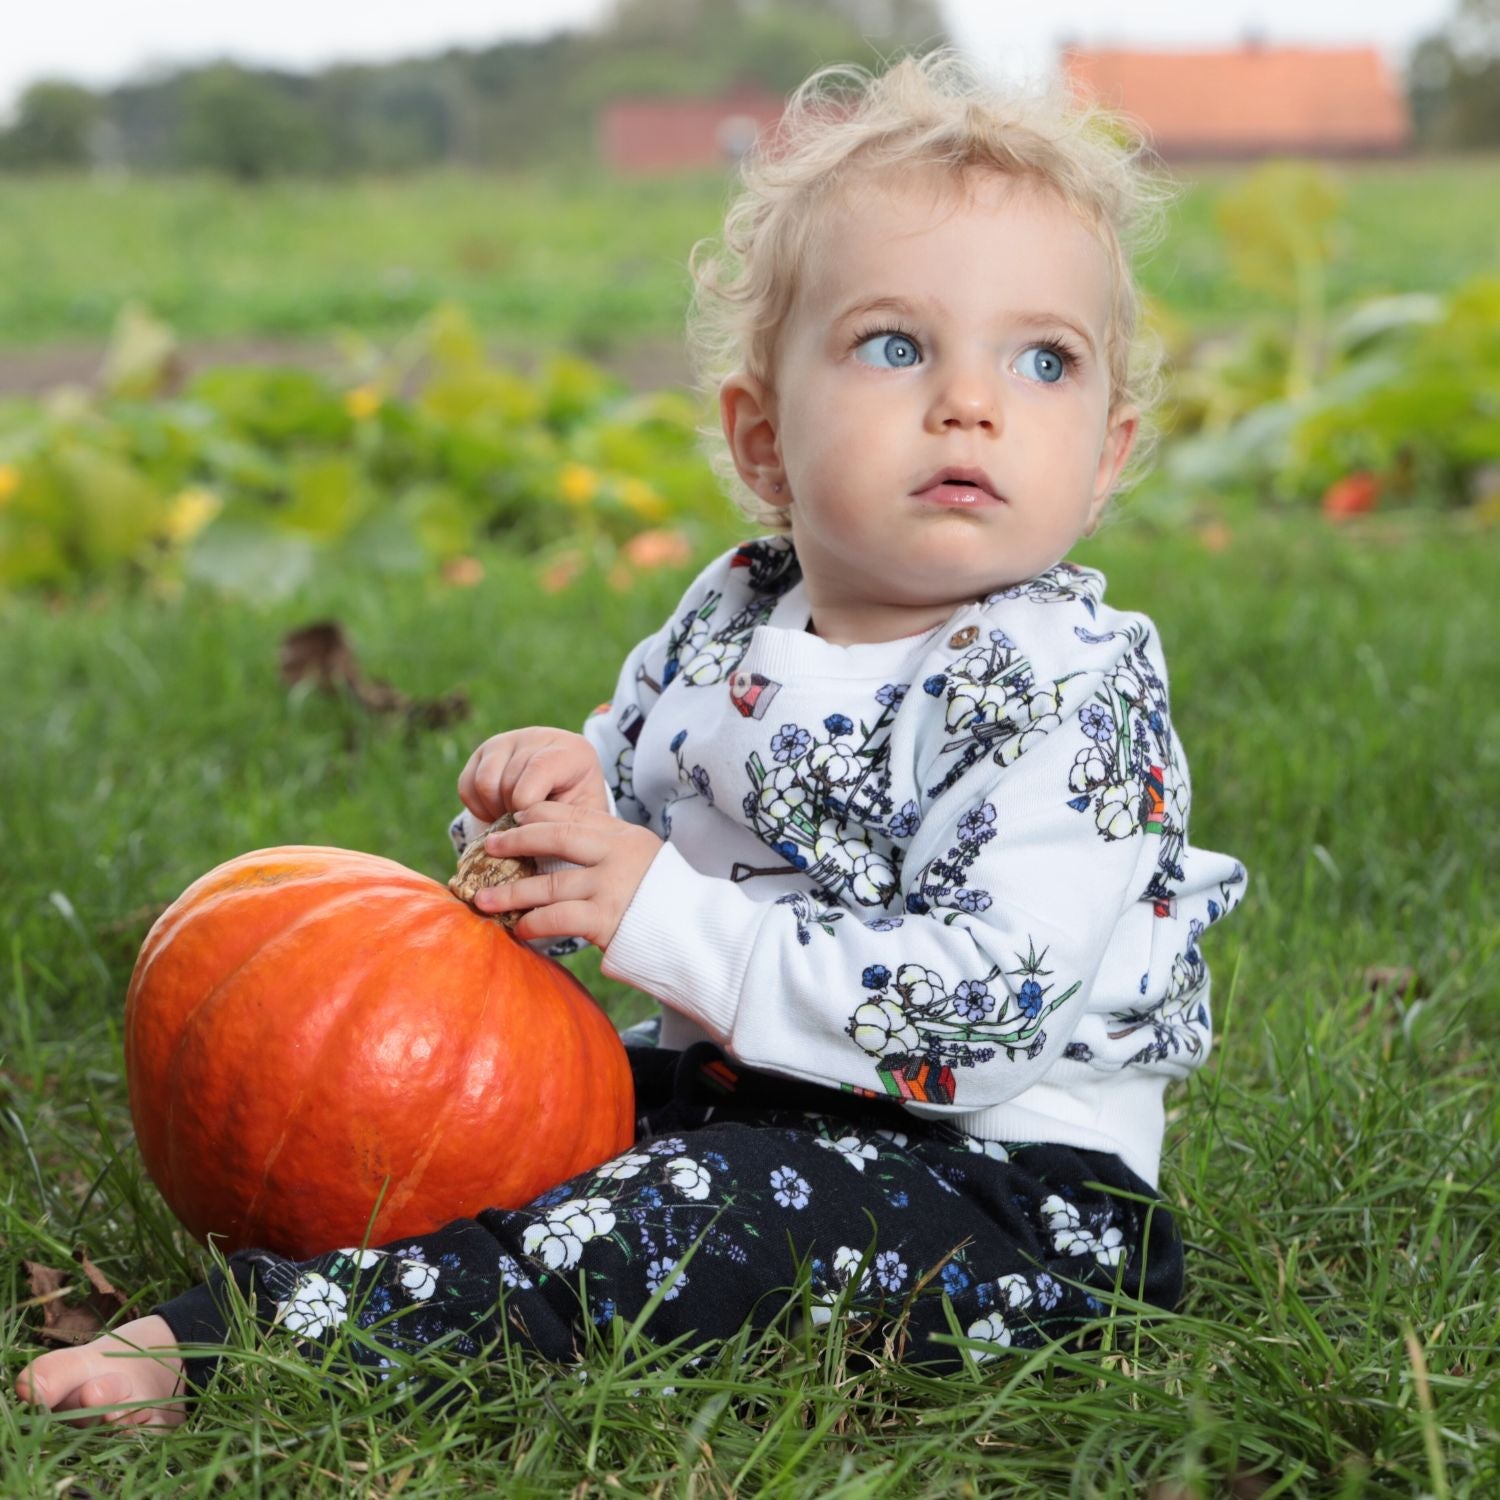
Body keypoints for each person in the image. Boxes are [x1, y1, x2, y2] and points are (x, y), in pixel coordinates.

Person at [16, 49, 1247, 1429]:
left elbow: (977, 1020)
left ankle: (244, 1342)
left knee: (678, 1217)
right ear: (764, 440)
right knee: (485, 1146)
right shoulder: (731, 617)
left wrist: (658, 911)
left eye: (1044, 359)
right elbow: (626, 839)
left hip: (1007, 1192)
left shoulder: (1067, 687)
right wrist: (553, 810)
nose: (972, 399)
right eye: (896, 344)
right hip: (755, 1104)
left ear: (1105, 450)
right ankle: (373, 1258)